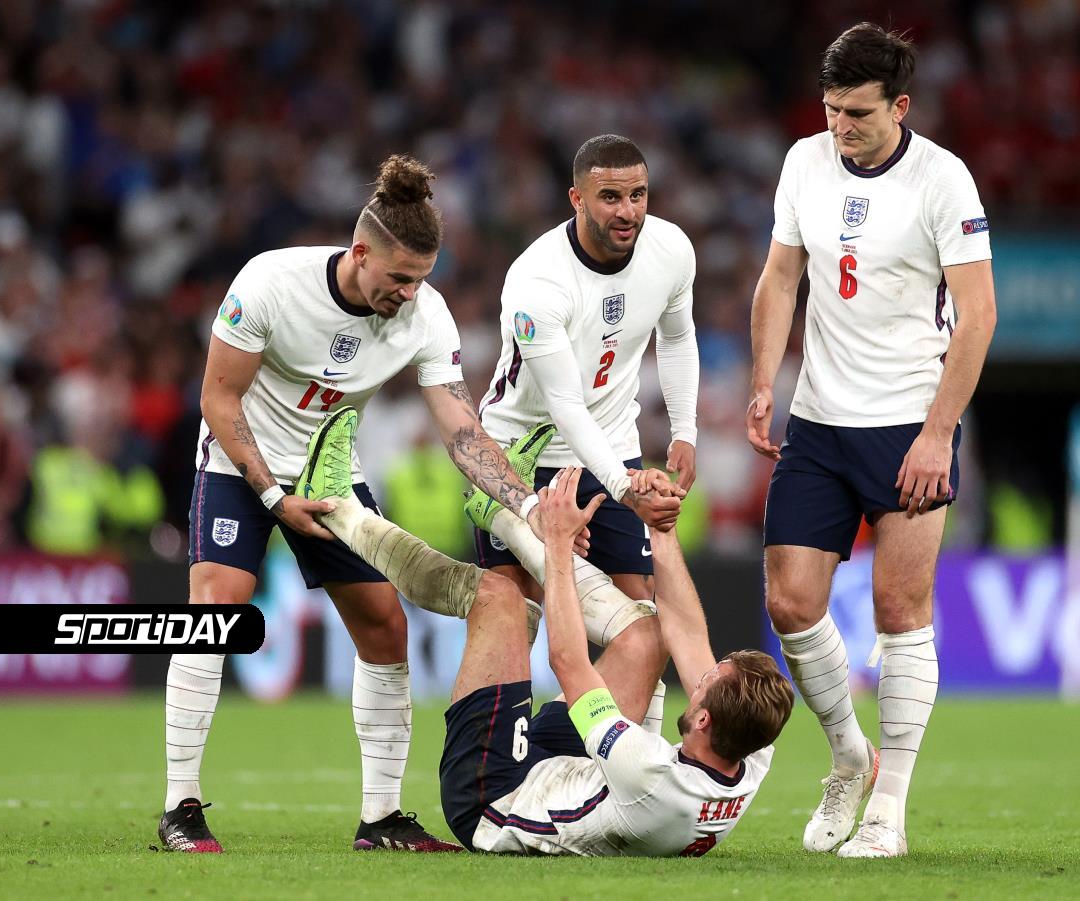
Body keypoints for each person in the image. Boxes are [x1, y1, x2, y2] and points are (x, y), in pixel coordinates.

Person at [159, 155, 553, 854]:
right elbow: (218, 399)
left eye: (421, 278)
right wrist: (273, 495)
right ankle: (180, 807)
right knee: (214, 613)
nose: (409, 292)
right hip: (240, 463)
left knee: (384, 626)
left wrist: (528, 506)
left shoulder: (426, 315)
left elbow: (461, 431)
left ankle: (381, 818)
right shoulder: (270, 283)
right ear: (360, 252)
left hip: (332, 480)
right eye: (399, 277)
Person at [301, 407, 793, 856]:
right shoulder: (750, 754)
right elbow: (685, 633)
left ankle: (339, 509)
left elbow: (568, 662)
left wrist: (557, 542)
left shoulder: (648, 772)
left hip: (496, 798)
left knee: (500, 599)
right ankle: (500, 513)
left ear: (704, 720)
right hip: (574, 773)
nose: (699, 677)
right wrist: (661, 529)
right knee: (647, 635)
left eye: (704, 683)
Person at [746, 23, 997, 858]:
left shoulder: (942, 179)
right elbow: (782, 275)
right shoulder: (804, 162)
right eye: (830, 109)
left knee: (900, 609)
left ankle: (888, 808)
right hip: (820, 419)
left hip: (908, 420)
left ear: (901, 106)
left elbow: (979, 315)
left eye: (857, 112)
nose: (839, 126)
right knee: (790, 602)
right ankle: (852, 756)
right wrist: (763, 381)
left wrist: (938, 432)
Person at [475, 134, 699, 715]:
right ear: (576, 198)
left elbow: (677, 337)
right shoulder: (537, 281)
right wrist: (626, 487)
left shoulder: (671, 250)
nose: (628, 212)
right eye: (610, 197)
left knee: (639, 614)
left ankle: (628, 759)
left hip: (612, 444)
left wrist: (685, 429)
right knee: (513, 610)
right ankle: (505, 755)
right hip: (521, 456)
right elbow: (564, 404)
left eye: (638, 195)